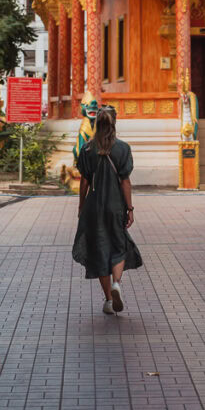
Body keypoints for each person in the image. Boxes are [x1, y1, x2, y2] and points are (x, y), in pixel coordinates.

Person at [72, 105, 142, 314]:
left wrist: (82, 206)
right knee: (119, 245)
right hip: (115, 206)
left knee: (99, 249)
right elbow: (125, 182)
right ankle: (117, 283)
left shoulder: (87, 148)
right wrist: (130, 209)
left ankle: (109, 300)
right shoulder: (123, 148)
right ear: (114, 123)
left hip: (94, 207)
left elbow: (84, 182)